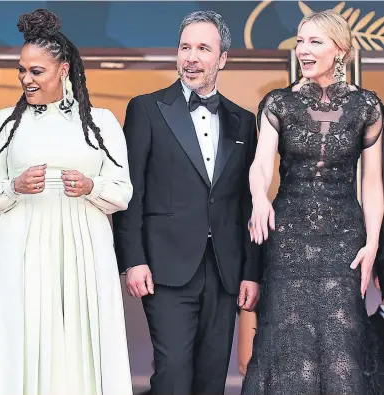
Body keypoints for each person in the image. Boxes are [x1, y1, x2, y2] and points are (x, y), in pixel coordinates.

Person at [0, 9, 133, 395]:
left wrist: (91, 186)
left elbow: (123, 191)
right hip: (22, 244)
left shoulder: (101, 121)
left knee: (81, 331)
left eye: (37, 71)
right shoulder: (3, 122)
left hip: (85, 245)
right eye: (22, 71)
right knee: (24, 331)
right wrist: (14, 187)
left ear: (63, 70)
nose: (27, 79)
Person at [112, 10, 261, 395]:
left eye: (202, 48)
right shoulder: (145, 109)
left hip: (226, 272)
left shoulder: (244, 121)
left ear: (223, 59)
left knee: (211, 377)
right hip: (166, 267)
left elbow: (249, 204)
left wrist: (251, 271)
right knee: (173, 374)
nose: (190, 57)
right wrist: (132, 259)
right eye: (184, 47)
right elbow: (133, 192)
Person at [242, 9, 384, 394]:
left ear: (339, 50)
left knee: (340, 343)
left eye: (314, 41)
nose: (303, 49)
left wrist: (372, 243)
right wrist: (259, 197)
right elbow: (260, 166)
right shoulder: (279, 104)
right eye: (300, 40)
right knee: (288, 343)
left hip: (344, 241)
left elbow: (371, 182)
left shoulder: (367, 107)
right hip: (288, 235)